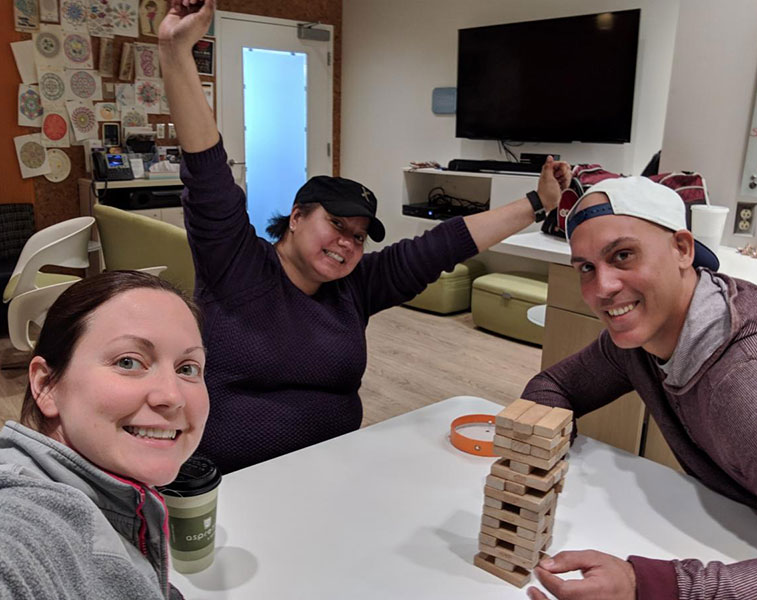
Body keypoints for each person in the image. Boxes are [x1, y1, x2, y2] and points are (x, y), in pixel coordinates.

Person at [158, 0, 572, 474]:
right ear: (296, 217)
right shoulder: (237, 265)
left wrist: (538, 202)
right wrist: (176, 51)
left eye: (358, 237)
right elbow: (208, 174)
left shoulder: (355, 287)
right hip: (237, 483)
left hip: (338, 471)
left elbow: (445, 243)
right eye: (337, 224)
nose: (347, 243)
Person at [521, 177, 757, 600]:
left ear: (683, 249)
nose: (602, 288)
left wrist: (646, 586)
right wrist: (537, 457)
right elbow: (554, 385)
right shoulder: (640, 341)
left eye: (623, 255)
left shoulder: (750, 385)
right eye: (586, 268)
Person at [0, 271, 209, 599]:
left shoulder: (119, 499)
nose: (172, 396)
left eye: (187, 368)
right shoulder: (27, 521)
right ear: (46, 385)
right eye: (128, 362)